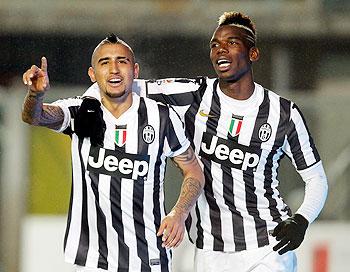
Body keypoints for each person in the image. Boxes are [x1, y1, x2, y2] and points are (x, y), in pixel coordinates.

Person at [80, 12, 328, 272]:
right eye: (215, 44)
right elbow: (122, 82)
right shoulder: (192, 95)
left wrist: (301, 220)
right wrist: (88, 102)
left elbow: (316, 179)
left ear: (252, 54)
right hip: (209, 252)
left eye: (231, 43)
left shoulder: (283, 113)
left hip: (267, 246)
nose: (220, 49)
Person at [21, 34, 205, 272]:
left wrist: (179, 214)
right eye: (105, 62)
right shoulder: (81, 112)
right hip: (93, 261)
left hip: (148, 258)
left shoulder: (162, 117)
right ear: (92, 74)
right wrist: (36, 94)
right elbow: (33, 116)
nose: (114, 69)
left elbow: (194, 172)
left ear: (135, 70)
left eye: (122, 61)